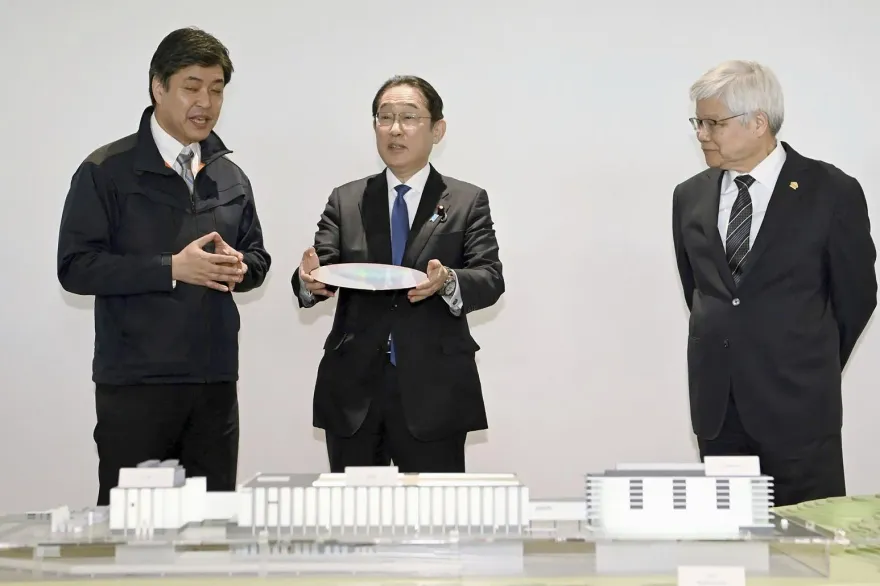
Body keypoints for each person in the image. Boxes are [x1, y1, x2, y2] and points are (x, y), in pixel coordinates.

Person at [57, 27, 271, 506]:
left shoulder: (229, 175)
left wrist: (240, 268)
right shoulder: (106, 170)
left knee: (212, 530)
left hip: (214, 385)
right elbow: (75, 267)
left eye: (216, 90)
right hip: (137, 387)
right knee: (132, 531)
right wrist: (170, 268)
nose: (206, 103)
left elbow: (257, 256)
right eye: (192, 87)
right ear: (158, 86)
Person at [671, 60, 876, 506]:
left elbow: (857, 296)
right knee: (730, 537)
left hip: (799, 410)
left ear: (758, 122)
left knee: (808, 539)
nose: (702, 134)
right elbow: (701, 292)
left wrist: (808, 360)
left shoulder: (831, 191)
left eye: (713, 123)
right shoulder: (689, 196)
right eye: (698, 122)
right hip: (719, 413)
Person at [292, 75, 504, 473]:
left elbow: (490, 278)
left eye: (409, 117)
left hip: (434, 390)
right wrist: (308, 281)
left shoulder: (466, 200)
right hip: (354, 390)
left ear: (437, 130)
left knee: (434, 510)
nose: (394, 129)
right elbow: (320, 266)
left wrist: (448, 281)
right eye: (385, 117)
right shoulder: (347, 199)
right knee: (353, 510)